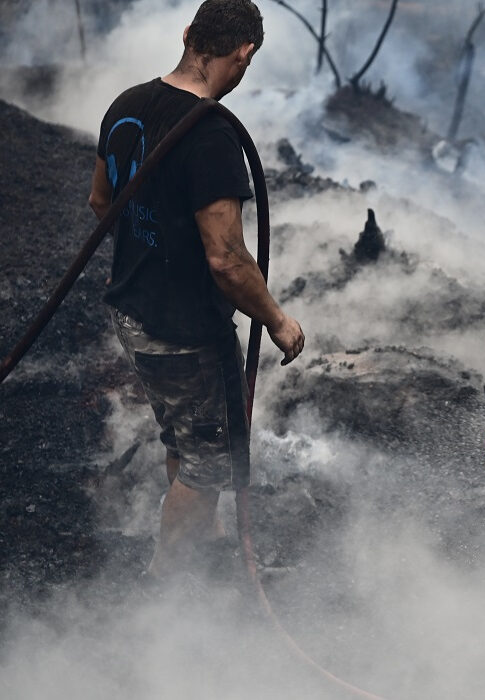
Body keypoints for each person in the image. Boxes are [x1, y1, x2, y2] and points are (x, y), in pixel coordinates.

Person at [87, 0, 303, 579]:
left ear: (187, 35)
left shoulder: (125, 105)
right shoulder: (210, 138)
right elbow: (227, 259)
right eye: (246, 63)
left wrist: (143, 251)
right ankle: (166, 582)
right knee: (209, 462)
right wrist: (279, 322)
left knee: (183, 433)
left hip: (132, 313)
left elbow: (101, 203)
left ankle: (201, 540)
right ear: (244, 53)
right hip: (182, 330)